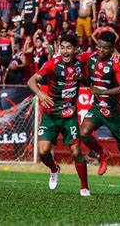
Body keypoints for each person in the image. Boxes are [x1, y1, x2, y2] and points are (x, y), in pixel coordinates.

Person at [28, 34, 90, 195]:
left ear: (75, 49)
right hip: (51, 114)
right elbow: (31, 81)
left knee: (76, 152)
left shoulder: (81, 61)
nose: (65, 51)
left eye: (68, 47)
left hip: (69, 116)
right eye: (62, 47)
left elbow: (101, 54)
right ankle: (54, 169)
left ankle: (84, 187)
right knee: (43, 152)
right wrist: (41, 95)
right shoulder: (52, 64)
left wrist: (82, 77)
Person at [78, 32, 120, 197]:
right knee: (84, 133)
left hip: (116, 112)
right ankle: (102, 153)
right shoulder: (91, 58)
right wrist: (81, 77)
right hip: (98, 107)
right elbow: (87, 80)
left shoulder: (118, 63)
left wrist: (101, 90)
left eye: (105, 48)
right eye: (99, 46)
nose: (101, 50)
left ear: (112, 49)